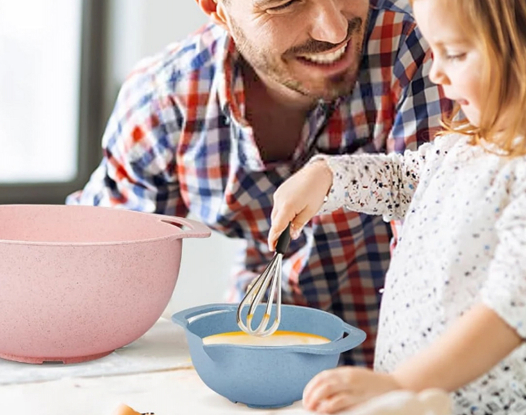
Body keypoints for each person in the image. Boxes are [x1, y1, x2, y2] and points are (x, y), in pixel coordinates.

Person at [67, 0, 450, 367]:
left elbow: (440, 259)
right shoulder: (166, 100)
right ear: (216, 8)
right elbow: (93, 273)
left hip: (415, 362)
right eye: (284, 2)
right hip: (263, 349)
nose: (334, 30)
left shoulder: (431, 47)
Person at [268, 0, 526, 413]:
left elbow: (509, 312)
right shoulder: (464, 146)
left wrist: (400, 382)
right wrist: (327, 176)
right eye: (433, 50)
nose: (435, 72)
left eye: (455, 54)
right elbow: (403, 180)